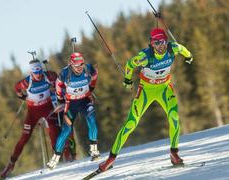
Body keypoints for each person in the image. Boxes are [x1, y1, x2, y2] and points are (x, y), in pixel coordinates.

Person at [99, 28, 194, 171]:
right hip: (146, 90)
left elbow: (183, 49)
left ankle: (174, 154)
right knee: (131, 124)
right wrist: (127, 79)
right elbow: (130, 64)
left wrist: (189, 56)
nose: (160, 46)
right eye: (156, 43)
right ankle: (111, 159)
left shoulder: (172, 48)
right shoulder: (145, 56)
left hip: (164, 88)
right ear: (151, 44)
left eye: (162, 42)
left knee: (174, 116)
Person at [0, 59, 75, 179]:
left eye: (40, 71)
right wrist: (23, 97)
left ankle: (65, 157)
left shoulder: (49, 76)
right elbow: (16, 88)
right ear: (31, 72)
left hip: (48, 108)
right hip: (33, 111)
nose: (39, 75)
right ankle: (10, 165)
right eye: (36, 73)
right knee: (24, 137)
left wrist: (57, 91)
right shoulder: (26, 82)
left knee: (54, 131)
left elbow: (59, 83)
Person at [46, 52, 100, 169]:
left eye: (81, 64)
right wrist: (60, 99)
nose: (79, 68)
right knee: (66, 129)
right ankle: (55, 158)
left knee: (91, 119)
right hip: (71, 104)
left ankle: (94, 149)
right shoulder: (65, 73)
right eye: (76, 66)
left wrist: (91, 88)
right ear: (71, 64)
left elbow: (95, 74)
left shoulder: (87, 68)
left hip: (85, 101)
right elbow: (58, 85)